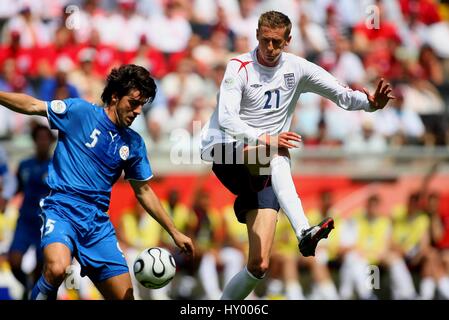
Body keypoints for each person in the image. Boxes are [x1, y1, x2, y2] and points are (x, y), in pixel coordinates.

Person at [200, 11, 394, 300]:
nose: (270, 48)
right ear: (256, 35)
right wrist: (267, 138)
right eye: (265, 40)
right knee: (277, 150)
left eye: (277, 42)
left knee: (259, 265)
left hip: (264, 167)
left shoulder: (298, 69)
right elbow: (227, 120)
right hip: (225, 151)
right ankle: (303, 230)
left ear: (288, 41)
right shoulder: (238, 67)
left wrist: (370, 105)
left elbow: (340, 94)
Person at [0, 64, 195, 300]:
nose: (138, 111)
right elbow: (32, 105)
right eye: (133, 103)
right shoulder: (79, 112)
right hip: (62, 209)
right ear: (114, 96)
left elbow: (143, 191)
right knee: (57, 268)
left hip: (97, 225)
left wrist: (174, 231)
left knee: (126, 298)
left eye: (142, 105)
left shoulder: (133, 143)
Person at [7, 124, 54, 299]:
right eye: (39, 138)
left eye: (45, 138)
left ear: (50, 141)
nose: (42, 142)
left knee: (42, 264)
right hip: (25, 220)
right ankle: (27, 285)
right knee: (14, 260)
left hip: (46, 222)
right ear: (34, 141)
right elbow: (16, 188)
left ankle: (32, 292)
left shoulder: (57, 166)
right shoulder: (24, 165)